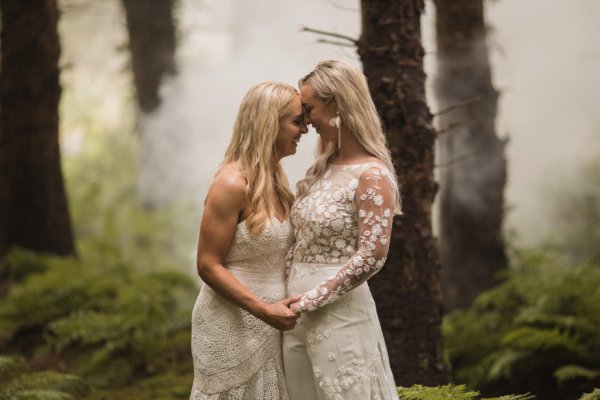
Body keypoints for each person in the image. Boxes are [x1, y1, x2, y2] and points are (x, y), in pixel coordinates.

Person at [283, 60, 402, 400]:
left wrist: (313, 299)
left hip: (339, 317)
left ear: (337, 102)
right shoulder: (321, 169)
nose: (306, 122)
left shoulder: (372, 175)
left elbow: (372, 256)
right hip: (295, 318)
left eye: (309, 110)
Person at [190, 81, 308, 400]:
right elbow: (207, 264)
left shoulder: (278, 180)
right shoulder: (231, 183)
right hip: (234, 321)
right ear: (270, 123)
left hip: (275, 324)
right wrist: (263, 310)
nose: (305, 130)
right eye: (297, 121)